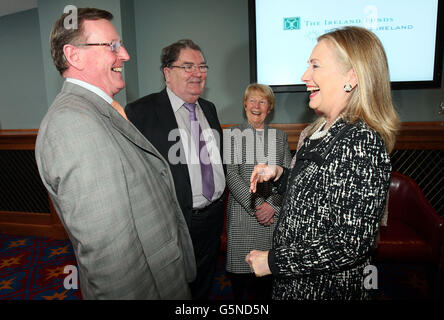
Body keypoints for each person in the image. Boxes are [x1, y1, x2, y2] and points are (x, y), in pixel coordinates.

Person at [35, 8, 196, 299]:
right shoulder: (72, 125)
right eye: (112, 46)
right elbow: (113, 259)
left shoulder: (97, 111)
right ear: (74, 56)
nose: (124, 54)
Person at [246, 26, 400, 300]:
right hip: (296, 283)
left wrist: (273, 262)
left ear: (351, 77)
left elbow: (348, 243)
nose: (305, 76)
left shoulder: (361, 141)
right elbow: (318, 191)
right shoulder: (324, 129)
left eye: (315, 65)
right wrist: (280, 174)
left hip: (323, 289)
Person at [125, 39, 226, 300]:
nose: (198, 73)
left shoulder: (209, 109)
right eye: (188, 66)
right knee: (174, 285)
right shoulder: (140, 113)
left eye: (202, 66)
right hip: (175, 219)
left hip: (214, 215)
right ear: (167, 72)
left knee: (205, 277)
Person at [225, 84, 291, 300]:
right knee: (241, 289)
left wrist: (271, 206)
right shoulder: (232, 134)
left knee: (267, 287)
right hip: (243, 219)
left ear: (269, 107)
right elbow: (232, 176)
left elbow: (287, 175)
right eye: (252, 100)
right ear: (245, 104)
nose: (256, 106)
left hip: (272, 221)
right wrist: (256, 206)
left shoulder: (280, 137)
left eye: (262, 101)